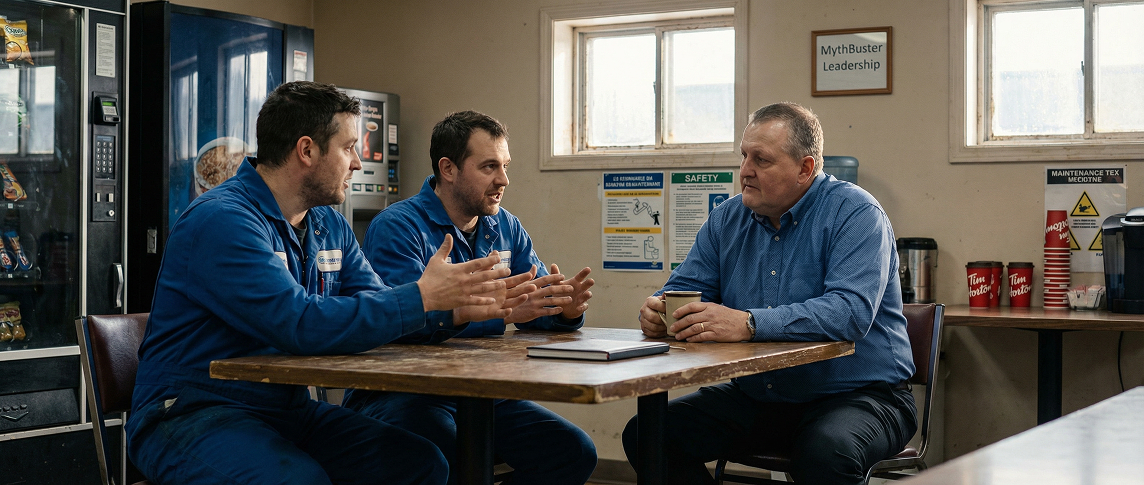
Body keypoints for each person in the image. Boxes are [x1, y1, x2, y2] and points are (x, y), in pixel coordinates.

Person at [126, 82, 527, 485]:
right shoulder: (222, 220)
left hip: (285, 408)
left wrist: (449, 310)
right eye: (349, 147)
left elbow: (378, 303)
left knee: (420, 463)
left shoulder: (326, 221)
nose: (356, 163)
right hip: (191, 411)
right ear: (307, 150)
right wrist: (422, 297)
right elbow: (298, 323)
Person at [623, 102, 917, 485]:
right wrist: (658, 310)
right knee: (649, 435)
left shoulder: (857, 214)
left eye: (761, 160)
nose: (745, 171)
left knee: (826, 451)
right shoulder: (727, 219)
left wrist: (748, 323)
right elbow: (683, 290)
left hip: (864, 396)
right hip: (764, 398)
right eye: (744, 156)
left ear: (805, 169)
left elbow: (849, 312)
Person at [342, 111, 598, 485]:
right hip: (405, 394)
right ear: (448, 169)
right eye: (490, 166)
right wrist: (501, 315)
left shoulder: (505, 225)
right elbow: (400, 324)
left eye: (505, 166)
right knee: (455, 456)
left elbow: (532, 302)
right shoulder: (397, 228)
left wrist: (564, 309)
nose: (504, 180)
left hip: (482, 391)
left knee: (572, 452)